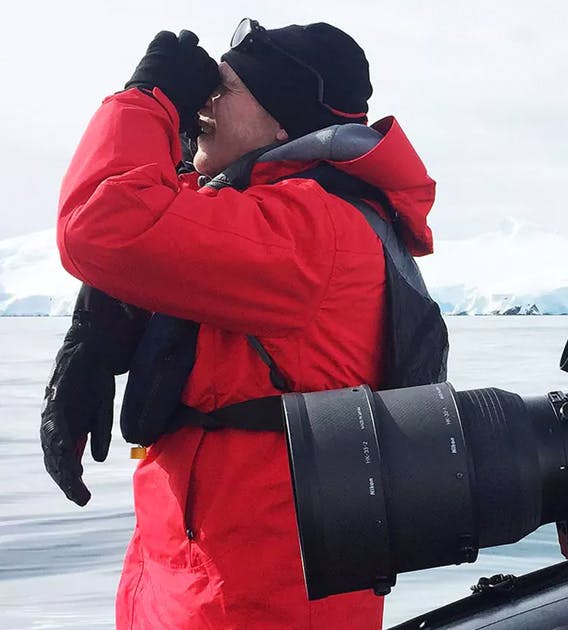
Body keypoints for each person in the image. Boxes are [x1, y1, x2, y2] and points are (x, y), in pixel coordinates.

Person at [50, 20, 440, 629]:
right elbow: (162, 231)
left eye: (223, 89)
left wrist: (148, 98)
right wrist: (92, 335)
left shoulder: (312, 227)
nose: (203, 102)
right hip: (200, 577)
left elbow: (105, 226)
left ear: (285, 124)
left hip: (256, 596)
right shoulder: (278, 212)